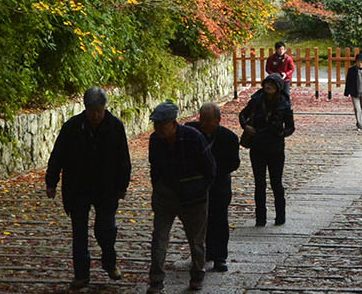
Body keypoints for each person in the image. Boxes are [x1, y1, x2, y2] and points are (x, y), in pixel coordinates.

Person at [45, 87, 132, 289]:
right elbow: (57, 156)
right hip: (78, 187)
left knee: (106, 230)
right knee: (79, 233)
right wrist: (51, 182)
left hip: (106, 187)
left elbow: (123, 159)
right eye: (92, 111)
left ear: (104, 108)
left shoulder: (115, 127)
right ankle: (81, 274)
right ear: (85, 109)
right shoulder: (72, 127)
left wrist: (122, 185)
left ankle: (109, 263)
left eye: (99, 111)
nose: (95, 115)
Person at [146, 102, 213, 293]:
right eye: (155, 124)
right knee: (159, 238)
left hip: (193, 198)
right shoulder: (155, 140)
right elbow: (155, 168)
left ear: (173, 123)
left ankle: (197, 274)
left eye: (161, 124)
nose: (158, 128)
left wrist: (200, 191)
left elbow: (210, 169)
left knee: (196, 239)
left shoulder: (193, 138)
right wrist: (158, 189)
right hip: (166, 195)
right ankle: (156, 279)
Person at [239, 74, 295, 225]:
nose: (268, 86)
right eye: (266, 83)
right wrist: (246, 126)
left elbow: (291, 127)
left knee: (276, 183)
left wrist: (282, 133)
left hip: (275, 147)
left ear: (278, 87)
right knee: (259, 183)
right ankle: (260, 218)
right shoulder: (256, 100)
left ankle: (280, 217)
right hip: (257, 146)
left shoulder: (284, 104)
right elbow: (242, 114)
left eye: (272, 84)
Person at [196, 103, 240, 274]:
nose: (204, 124)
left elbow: (233, 163)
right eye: (202, 119)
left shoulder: (228, 138)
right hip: (199, 185)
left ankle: (220, 256)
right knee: (200, 221)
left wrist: (215, 171)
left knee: (219, 220)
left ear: (218, 120)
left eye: (208, 120)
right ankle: (203, 252)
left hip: (219, 185)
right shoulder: (194, 133)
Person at [345, 55, 362, 128]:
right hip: (354, 91)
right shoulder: (351, 70)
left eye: (361, 62)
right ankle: (360, 124)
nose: (360, 64)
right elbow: (348, 81)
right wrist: (347, 92)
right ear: (355, 62)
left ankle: (361, 121)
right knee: (357, 108)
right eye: (358, 62)